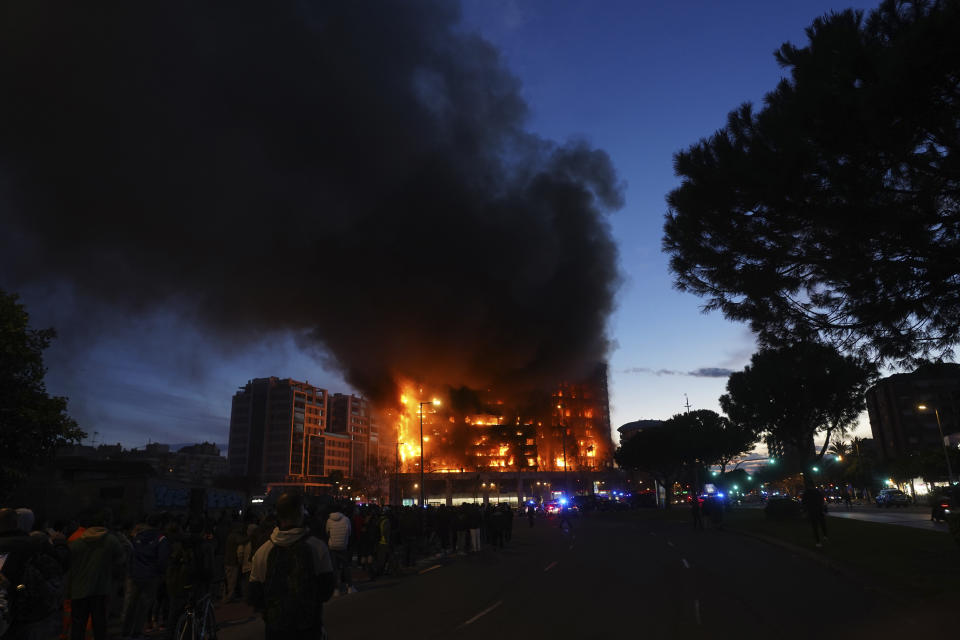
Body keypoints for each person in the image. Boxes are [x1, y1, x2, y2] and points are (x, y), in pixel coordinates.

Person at [248, 493, 335, 640]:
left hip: (276, 629)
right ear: (301, 514)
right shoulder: (317, 547)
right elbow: (327, 589)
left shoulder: (263, 552)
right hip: (309, 627)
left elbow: (255, 595)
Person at [0, 507, 69, 640]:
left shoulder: (30, 546)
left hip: (10, 616)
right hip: (32, 616)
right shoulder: (35, 546)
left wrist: (13, 587)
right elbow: (59, 569)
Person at [67, 511, 126, 640]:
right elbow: (121, 562)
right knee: (100, 625)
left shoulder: (76, 541)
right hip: (101, 589)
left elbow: (68, 567)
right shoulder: (111, 541)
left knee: (78, 625)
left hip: (79, 589)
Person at [121, 515, 169, 639]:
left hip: (135, 575)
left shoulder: (137, 536)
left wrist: (130, 571)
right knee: (143, 605)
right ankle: (136, 632)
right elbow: (162, 560)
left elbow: (130, 555)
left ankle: (125, 632)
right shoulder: (161, 538)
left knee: (130, 604)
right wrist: (160, 574)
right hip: (150, 576)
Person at [324, 507, 354, 595]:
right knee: (346, 567)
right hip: (343, 546)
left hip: (332, 546)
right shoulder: (346, 519)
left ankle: (336, 589)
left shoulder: (329, 520)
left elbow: (327, 532)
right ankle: (350, 587)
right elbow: (349, 532)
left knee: (335, 568)